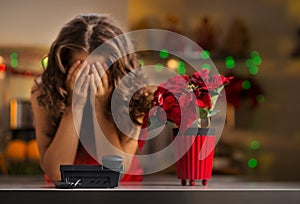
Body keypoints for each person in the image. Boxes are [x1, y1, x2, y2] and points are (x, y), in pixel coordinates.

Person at [31, 14, 152, 182]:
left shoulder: (134, 93)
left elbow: (115, 170)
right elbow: (56, 173)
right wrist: (74, 106)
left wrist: (100, 107)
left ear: (116, 68)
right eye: (81, 70)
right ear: (65, 67)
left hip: (122, 191)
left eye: (97, 70)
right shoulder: (44, 91)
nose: (90, 79)